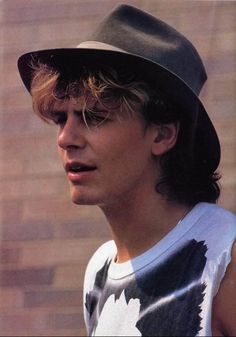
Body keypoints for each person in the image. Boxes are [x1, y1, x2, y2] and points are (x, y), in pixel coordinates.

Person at [18, 4, 235, 336]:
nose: (65, 138)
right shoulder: (100, 272)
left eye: (94, 117)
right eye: (62, 118)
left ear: (162, 134)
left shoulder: (224, 255)